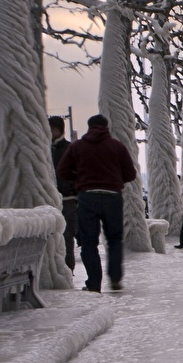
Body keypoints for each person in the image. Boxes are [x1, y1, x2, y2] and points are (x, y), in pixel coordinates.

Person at [55, 113, 137, 293]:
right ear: (106, 127)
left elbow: (63, 170)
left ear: (89, 126)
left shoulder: (78, 146)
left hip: (87, 196)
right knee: (114, 239)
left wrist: (78, 180)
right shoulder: (117, 146)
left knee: (89, 241)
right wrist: (115, 179)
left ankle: (94, 283)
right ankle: (115, 278)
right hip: (112, 197)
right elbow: (131, 174)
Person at [49, 115, 77, 271]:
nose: (51, 132)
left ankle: (68, 268)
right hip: (52, 199)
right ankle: (58, 268)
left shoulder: (69, 148)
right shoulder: (45, 148)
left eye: (53, 129)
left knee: (67, 236)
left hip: (68, 198)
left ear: (60, 130)